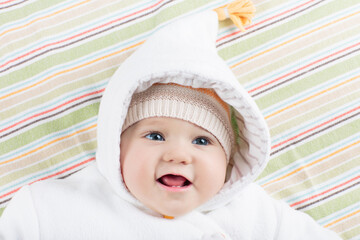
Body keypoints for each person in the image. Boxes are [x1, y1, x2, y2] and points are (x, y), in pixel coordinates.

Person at [0, 1, 341, 239]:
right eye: (155, 136)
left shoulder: (257, 214)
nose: (178, 155)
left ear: (229, 162)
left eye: (202, 141)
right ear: (116, 147)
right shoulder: (52, 209)